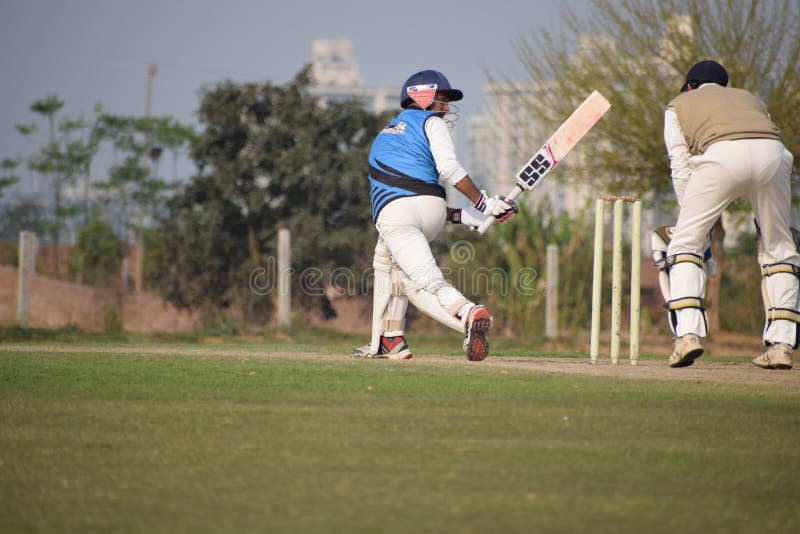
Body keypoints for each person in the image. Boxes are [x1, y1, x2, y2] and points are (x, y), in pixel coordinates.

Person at [352, 69, 517, 361]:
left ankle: (468, 313)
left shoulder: (384, 134)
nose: (446, 106)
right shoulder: (432, 124)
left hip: (396, 214)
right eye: (442, 98)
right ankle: (389, 340)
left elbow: (420, 183)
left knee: (425, 283)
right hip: (432, 209)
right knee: (388, 263)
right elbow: (440, 180)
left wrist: (483, 205)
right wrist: (479, 209)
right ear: (422, 95)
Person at [663, 59, 798, 369]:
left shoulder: (678, 104)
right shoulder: (750, 98)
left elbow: (680, 163)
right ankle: (782, 345)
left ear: (691, 86)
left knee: (684, 244)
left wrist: (693, 221)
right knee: (779, 247)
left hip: (720, 155)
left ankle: (687, 336)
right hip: (774, 155)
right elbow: (761, 137)